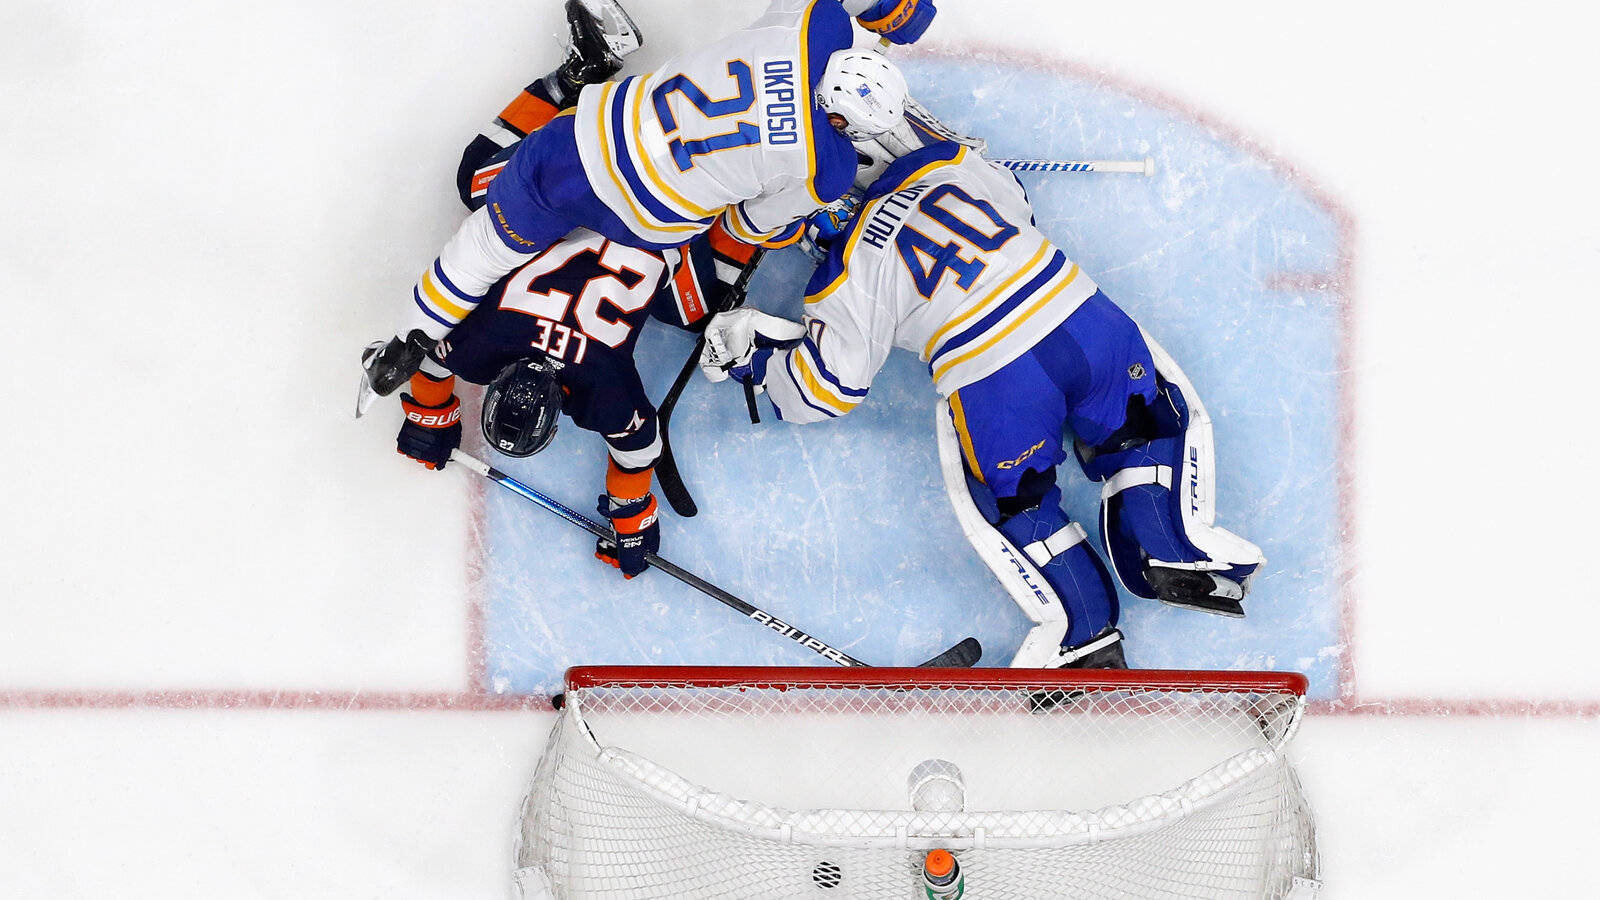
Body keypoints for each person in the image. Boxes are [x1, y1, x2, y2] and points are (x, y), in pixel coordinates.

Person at [697, 58, 1265, 668]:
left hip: (998, 382)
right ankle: (1172, 541)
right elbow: (1018, 204)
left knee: (1013, 501)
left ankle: (1082, 634)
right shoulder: (948, 165)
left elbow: (823, 390)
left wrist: (750, 356)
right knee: (1143, 421)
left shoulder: (845, 272)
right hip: (1083, 319)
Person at [357, 0, 941, 405]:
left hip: (580, 153)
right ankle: (582, 67)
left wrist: (410, 339)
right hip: (649, 227)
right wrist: (800, 208)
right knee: (690, 307)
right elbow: (744, 223)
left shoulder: (812, 28)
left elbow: (473, 256)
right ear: (841, 117)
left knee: (478, 190)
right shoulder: (829, 167)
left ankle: (581, 75)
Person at [374, 1, 735, 580]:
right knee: (478, 181)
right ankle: (581, 77)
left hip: (658, 190)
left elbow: (637, 450)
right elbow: (430, 358)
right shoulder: (478, 346)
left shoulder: (602, 391)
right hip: (617, 180)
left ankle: (764, 208)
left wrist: (631, 521)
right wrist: (427, 413)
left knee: (701, 310)